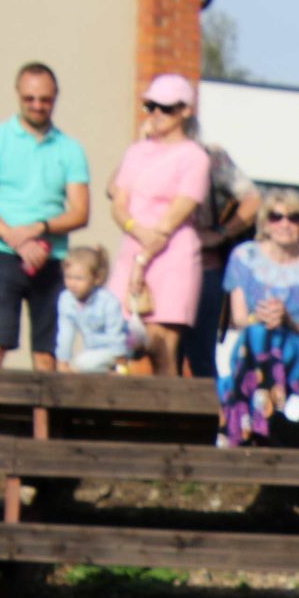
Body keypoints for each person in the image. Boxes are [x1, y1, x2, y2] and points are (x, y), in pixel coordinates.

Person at [0, 62, 90, 371]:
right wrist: (17, 240)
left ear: (56, 97)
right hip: (3, 254)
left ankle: (44, 421)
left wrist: (40, 229)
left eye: (45, 99)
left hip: (51, 258)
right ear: (18, 95)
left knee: (48, 356)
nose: (37, 106)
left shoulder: (70, 149)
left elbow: (80, 211)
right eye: (30, 99)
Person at [105, 74, 211, 377]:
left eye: (165, 108)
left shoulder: (194, 156)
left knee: (162, 346)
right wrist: (134, 230)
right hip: (134, 247)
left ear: (185, 110)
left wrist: (146, 254)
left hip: (171, 256)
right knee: (120, 341)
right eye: (150, 107)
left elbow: (175, 214)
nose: (156, 115)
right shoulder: (136, 152)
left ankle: (166, 421)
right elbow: (118, 199)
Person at [216, 190, 299, 446]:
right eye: (276, 217)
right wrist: (261, 317)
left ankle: (248, 426)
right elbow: (239, 318)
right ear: (265, 223)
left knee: (266, 337)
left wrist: (285, 319)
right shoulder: (244, 257)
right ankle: (266, 421)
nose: (285, 224)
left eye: (293, 218)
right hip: (253, 344)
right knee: (259, 333)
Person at [183, 136, 260, 381]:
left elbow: (252, 200)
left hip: (204, 266)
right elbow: (114, 189)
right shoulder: (145, 153)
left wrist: (221, 233)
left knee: (199, 355)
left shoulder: (210, 156)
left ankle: (205, 416)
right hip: (159, 267)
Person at [54, 245, 134, 374]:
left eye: (79, 279)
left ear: (96, 279)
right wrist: (62, 362)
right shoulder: (66, 299)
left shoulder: (107, 301)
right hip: (93, 348)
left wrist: (121, 364)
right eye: (68, 277)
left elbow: (116, 334)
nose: (72, 283)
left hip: (119, 347)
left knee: (82, 363)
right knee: (85, 364)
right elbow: (65, 332)